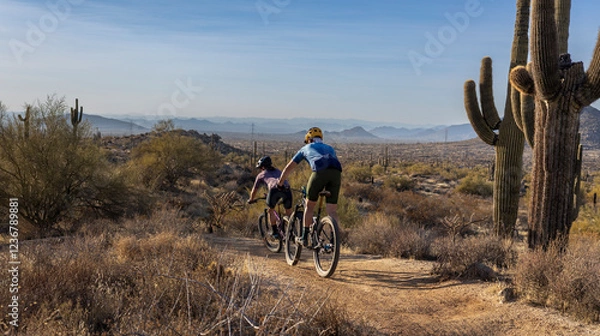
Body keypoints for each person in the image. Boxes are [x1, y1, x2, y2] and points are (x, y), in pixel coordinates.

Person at [277, 127, 342, 246]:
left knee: (309, 206)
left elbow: (288, 168)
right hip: (336, 174)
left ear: (308, 140)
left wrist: (280, 182)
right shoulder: (330, 148)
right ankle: (335, 240)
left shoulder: (305, 148)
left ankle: (304, 237)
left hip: (319, 172)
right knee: (332, 210)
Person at [248, 156, 293, 239]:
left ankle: (275, 232)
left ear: (263, 167)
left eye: (261, 168)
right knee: (289, 212)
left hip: (274, 190)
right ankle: (292, 231)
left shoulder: (261, 175)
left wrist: (251, 199)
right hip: (287, 189)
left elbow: (254, 189)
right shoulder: (279, 171)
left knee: (270, 210)